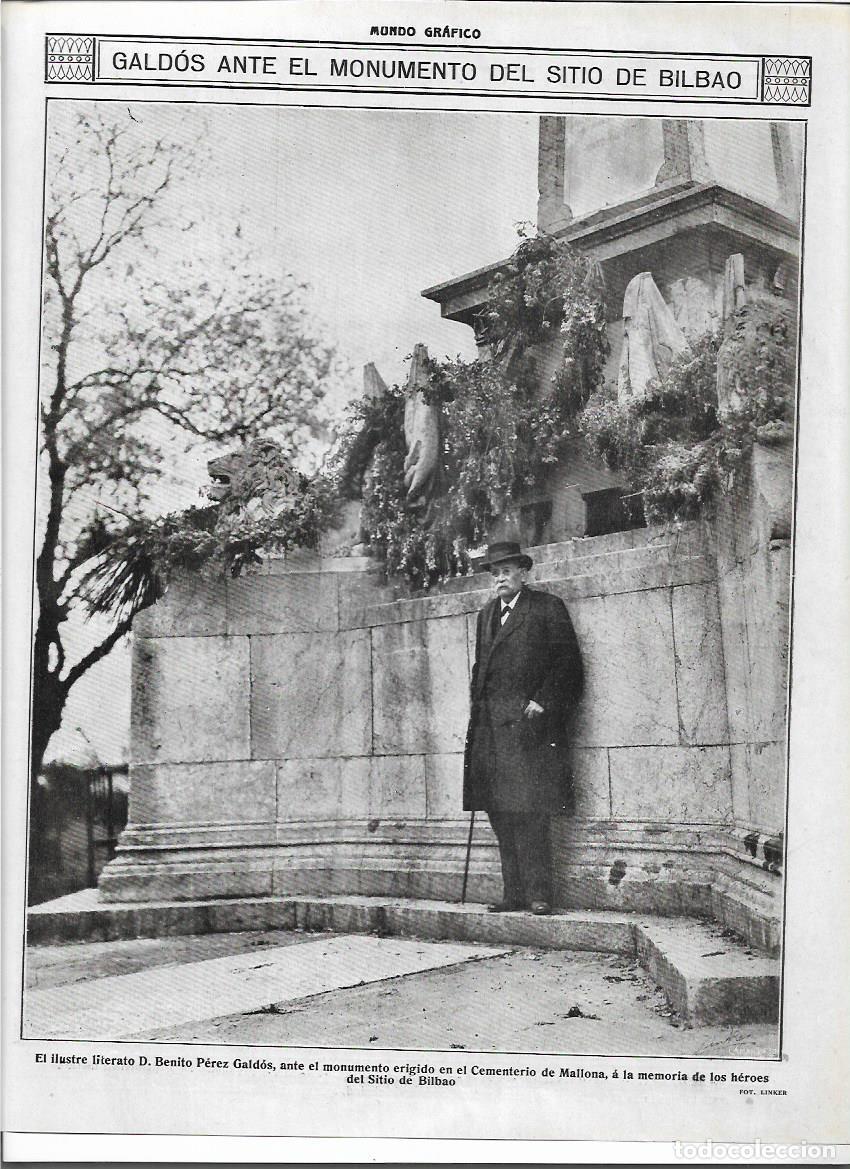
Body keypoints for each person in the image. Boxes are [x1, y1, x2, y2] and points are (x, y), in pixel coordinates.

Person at [463, 541, 583, 915]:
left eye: (506, 570)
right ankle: (512, 894)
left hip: (530, 731)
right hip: (492, 733)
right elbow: (481, 669)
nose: (499, 577)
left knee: (530, 812)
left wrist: (542, 701)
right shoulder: (486, 614)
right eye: (494, 572)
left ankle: (539, 894)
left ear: (523, 573)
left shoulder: (546, 608)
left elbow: (568, 663)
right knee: (499, 813)